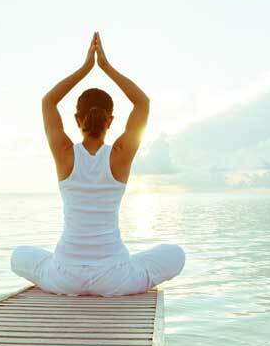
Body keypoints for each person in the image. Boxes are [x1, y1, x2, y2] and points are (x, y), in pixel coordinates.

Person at [10, 31, 185, 296]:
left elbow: (48, 101)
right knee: (176, 254)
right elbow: (142, 102)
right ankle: (124, 269)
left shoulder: (65, 153)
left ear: (77, 119)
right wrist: (105, 67)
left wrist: (85, 68)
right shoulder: (119, 154)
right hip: (114, 277)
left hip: (65, 275)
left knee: (18, 256)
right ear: (111, 121)